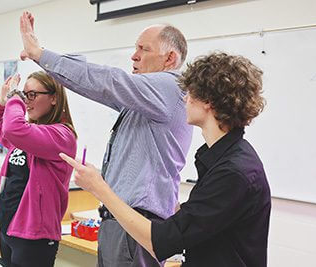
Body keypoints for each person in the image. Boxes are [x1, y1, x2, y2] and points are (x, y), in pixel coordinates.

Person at [61, 52, 271, 267]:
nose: (184, 99)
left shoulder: (234, 171)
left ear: (208, 101)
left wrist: (99, 188)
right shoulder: (220, 157)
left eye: (189, 93)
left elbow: (159, 241)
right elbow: (203, 220)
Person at [20, 11, 193, 266]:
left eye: (144, 49)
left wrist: (39, 53)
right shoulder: (144, 100)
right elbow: (90, 84)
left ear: (170, 58)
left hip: (136, 225)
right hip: (121, 223)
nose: (134, 56)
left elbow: (107, 80)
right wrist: (43, 61)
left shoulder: (169, 87)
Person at [0, 71, 77, 267]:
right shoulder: (27, 135)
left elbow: (13, 128)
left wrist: (14, 97)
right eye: (24, 95)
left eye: (31, 95)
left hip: (34, 236)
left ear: (54, 98)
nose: (25, 101)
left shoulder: (62, 135)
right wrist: (1, 101)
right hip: (9, 227)